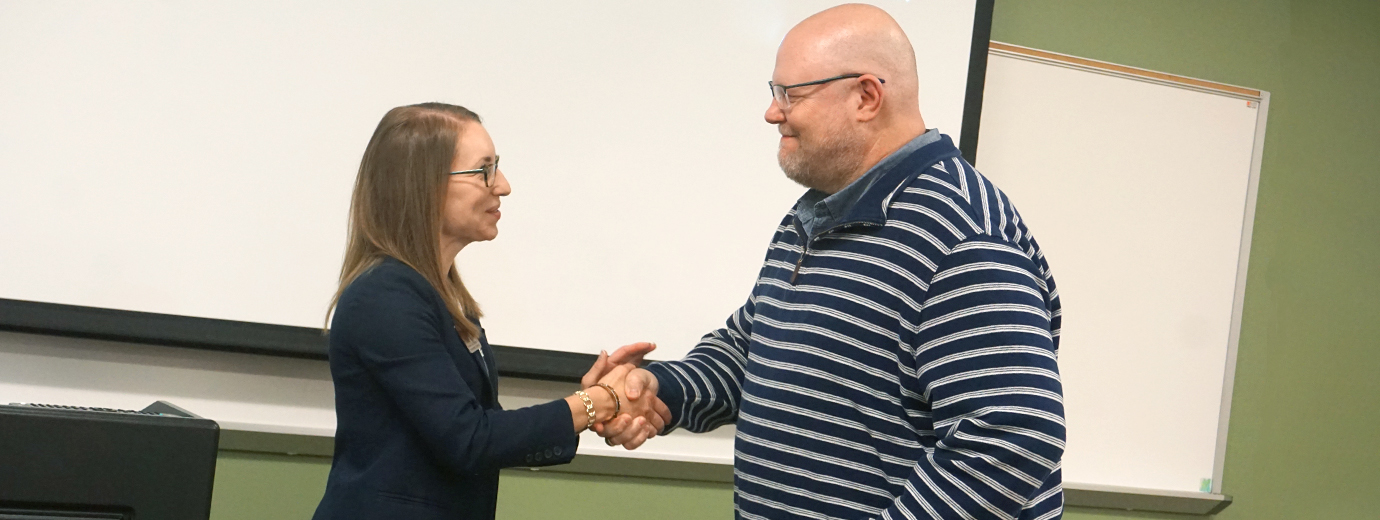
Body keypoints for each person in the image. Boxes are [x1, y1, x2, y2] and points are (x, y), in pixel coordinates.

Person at [593, 5, 1066, 519]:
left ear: (866, 96)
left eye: (790, 95)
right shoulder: (814, 215)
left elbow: (1012, 437)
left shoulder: (962, 235)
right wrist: (660, 389)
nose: (773, 113)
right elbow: (749, 351)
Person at [312, 102, 668, 520]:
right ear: (424, 184)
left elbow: (485, 428)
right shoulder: (385, 297)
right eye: (484, 170)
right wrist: (597, 403)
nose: (503, 185)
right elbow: (469, 439)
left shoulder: (444, 297)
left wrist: (592, 407)